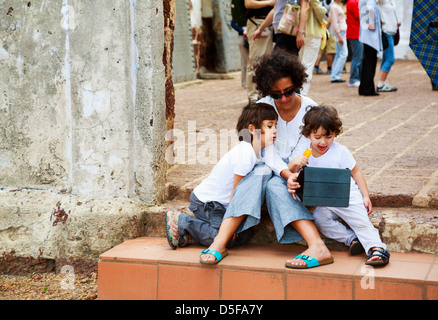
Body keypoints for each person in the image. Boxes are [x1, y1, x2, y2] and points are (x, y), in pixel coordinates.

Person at [200, 49, 334, 269]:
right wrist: (285, 172)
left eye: (289, 91)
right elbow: (266, 152)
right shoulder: (264, 106)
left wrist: (292, 174)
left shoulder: (311, 109)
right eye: (276, 94)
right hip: (273, 169)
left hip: (299, 173)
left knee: (273, 184)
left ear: (297, 83)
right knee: (263, 173)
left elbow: (306, 152)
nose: (283, 98)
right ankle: (220, 243)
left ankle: (318, 246)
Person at [165, 102, 278, 260]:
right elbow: (236, 193)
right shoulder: (246, 153)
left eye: (275, 126)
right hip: (208, 203)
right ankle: (183, 221)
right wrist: (228, 223)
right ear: (252, 129)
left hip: (219, 205)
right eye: (270, 126)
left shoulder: (254, 152)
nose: (275, 130)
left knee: (244, 235)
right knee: (225, 239)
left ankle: (191, 236)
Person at [290, 105, 390, 266]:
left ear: (335, 133)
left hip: (347, 196)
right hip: (325, 201)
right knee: (320, 220)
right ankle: (352, 239)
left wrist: (365, 196)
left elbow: (356, 172)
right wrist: (293, 164)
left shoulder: (340, 151)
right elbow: (294, 174)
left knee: (360, 222)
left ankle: (377, 248)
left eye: (328, 137)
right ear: (308, 134)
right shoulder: (304, 153)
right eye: (317, 137)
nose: (323, 142)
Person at [244, 0, 275, 102]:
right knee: (255, 61)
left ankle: (263, 95)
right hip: (256, 22)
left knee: (267, 62)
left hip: (270, 23)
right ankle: (253, 97)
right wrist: (269, 3)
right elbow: (248, 3)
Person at [358, 0, 382, 96]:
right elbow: (370, 7)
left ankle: (363, 88)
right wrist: (371, 23)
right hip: (371, 36)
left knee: (366, 62)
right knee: (370, 63)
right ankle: (368, 89)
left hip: (365, 34)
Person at [376, 0, 400, 92]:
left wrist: (397, 22)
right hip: (386, 31)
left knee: (386, 58)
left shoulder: (391, 1)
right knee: (390, 59)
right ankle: (380, 84)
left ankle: (383, 82)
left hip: (393, 30)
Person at [328, 0, 348, 83]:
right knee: (343, 54)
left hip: (341, 31)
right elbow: (334, 22)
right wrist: (339, 35)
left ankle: (334, 75)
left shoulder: (336, 6)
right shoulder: (334, 7)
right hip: (340, 32)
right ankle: (336, 75)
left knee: (339, 54)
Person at [346, 0, 362, 87]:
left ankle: (357, 77)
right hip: (355, 33)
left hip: (356, 33)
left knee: (358, 56)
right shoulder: (352, 2)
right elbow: (359, 16)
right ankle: (353, 79)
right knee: (357, 57)